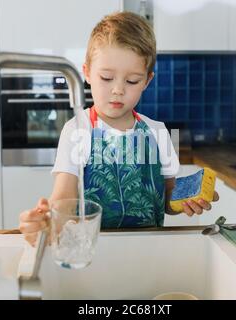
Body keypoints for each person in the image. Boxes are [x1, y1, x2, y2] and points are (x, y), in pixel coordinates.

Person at [19, 11, 219, 246]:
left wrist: (187, 199)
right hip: (96, 252)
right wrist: (47, 222)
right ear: (87, 73)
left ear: (147, 80)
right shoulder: (77, 130)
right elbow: (64, 197)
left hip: (150, 250)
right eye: (106, 77)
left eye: (132, 81)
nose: (118, 90)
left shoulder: (158, 132)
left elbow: (166, 198)